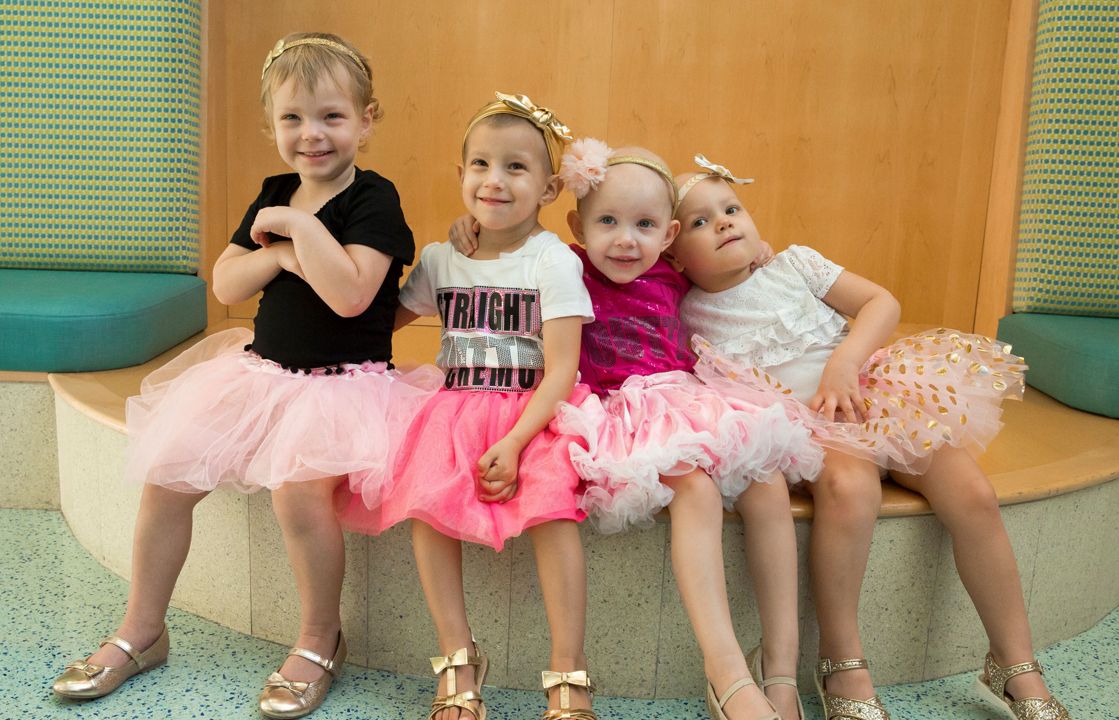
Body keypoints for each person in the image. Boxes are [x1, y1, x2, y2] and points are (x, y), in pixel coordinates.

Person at [50, 33, 438, 720]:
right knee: (168, 473)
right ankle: (144, 628)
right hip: (261, 372)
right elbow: (228, 282)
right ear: (271, 126)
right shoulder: (272, 190)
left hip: (345, 383)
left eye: (330, 116)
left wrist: (293, 227)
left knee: (297, 493)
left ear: (367, 119)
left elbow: (350, 294)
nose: (310, 135)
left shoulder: (373, 200)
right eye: (292, 119)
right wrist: (283, 257)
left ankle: (321, 637)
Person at [672, 155, 1071, 720]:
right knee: (852, 486)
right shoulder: (685, 312)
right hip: (805, 426)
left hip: (877, 391)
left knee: (972, 493)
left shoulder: (796, 264)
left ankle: (1014, 664)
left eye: (732, 208)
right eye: (699, 222)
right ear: (670, 249)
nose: (724, 223)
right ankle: (842, 662)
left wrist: (846, 362)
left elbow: (882, 302)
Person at [338, 93, 598, 720]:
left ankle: (568, 668)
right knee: (425, 500)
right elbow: (381, 322)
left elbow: (563, 367)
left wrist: (513, 442)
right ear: (460, 177)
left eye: (516, 167)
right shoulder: (440, 257)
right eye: (480, 164)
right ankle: (457, 655)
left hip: (533, 412)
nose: (495, 180)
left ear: (549, 186)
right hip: (453, 405)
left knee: (554, 510)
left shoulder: (554, 261)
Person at [547, 139, 820, 720]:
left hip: (690, 399)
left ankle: (781, 671)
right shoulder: (565, 264)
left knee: (766, 481)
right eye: (608, 222)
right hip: (621, 411)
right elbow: (513, 242)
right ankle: (727, 675)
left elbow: (725, 270)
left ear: (669, 237)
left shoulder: (672, 275)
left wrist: (757, 257)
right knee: (694, 489)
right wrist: (469, 229)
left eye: (645, 224)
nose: (626, 239)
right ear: (578, 224)